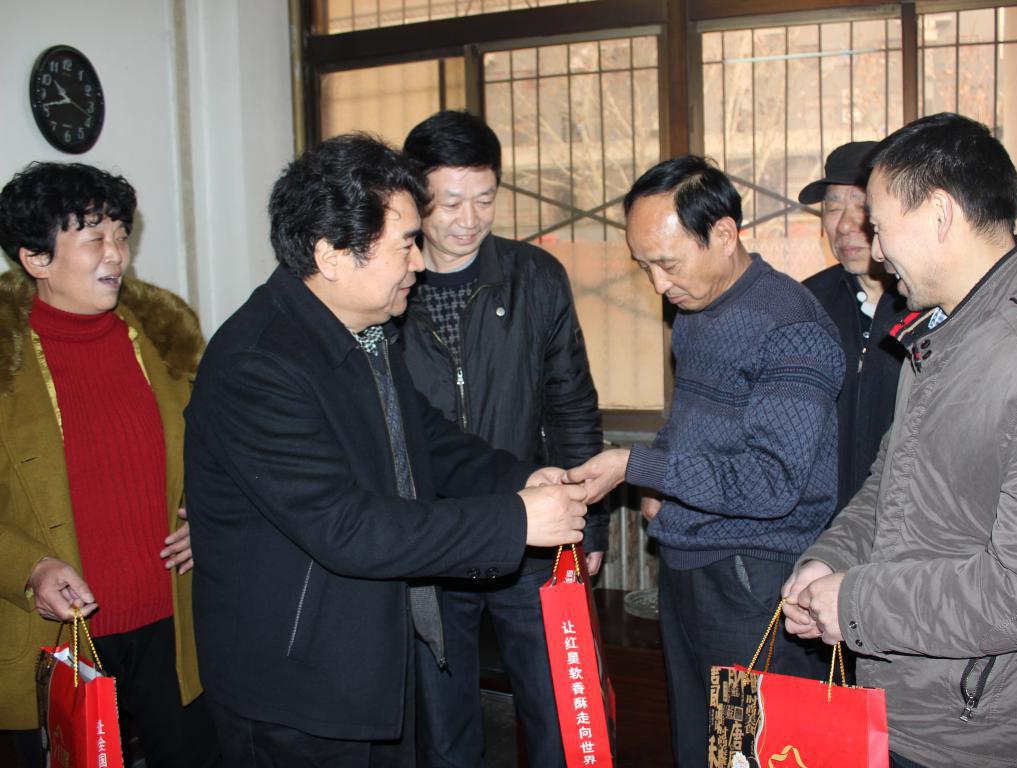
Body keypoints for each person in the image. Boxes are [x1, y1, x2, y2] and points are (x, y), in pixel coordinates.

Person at [183, 133, 589, 768]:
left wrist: (522, 477)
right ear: (332, 255)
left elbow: (427, 439)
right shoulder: (258, 365)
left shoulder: (362, 333)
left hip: (366, 655)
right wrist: (515, 519)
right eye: (405, 244)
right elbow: (345, 527)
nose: (420, 263)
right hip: (297, 687)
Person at [782, 113, 1017, 768]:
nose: (874, 248)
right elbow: (890, 487)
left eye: (879, 224)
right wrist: (831, 560)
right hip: (911, 708)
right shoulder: (944, 339)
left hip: (996, 740)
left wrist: (860, 602)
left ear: (939, 215)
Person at [567, 155, 844, 767]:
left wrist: (639, 467)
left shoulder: (789, 325)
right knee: (697, 744)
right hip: (689, 561)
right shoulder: (695, 311)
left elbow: (772, 482)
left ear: (723, 234)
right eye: (644, 266)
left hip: (751, 579)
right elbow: (692, 425)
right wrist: (657, 472)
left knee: (745, 753)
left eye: (667, 263)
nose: (657, 285)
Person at [399, 110, 607, 768]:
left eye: (484, 199)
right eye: (449, 202)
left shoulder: (534, 276)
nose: (469, 219)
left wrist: (589, 522)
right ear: (414, 197)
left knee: (559, 713)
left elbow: (570, 403)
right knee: (443, 729)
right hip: (432, 542)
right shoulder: (389, 286)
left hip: (533, 537)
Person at [0, 162, 219, 767]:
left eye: (121, 235)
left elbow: (220, 453)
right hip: (61, 642)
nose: (117, 254)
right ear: (35, 258)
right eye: (94, 238)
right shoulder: (6, 359)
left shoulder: (166, 338)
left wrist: (211, 517)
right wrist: (31, 568)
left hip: (174, 628)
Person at [799, 141, 906, 512]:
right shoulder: (806, 304)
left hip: (903, 523)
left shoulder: (926, 305)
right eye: (832, 207)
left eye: (860, 205)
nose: (844, 225)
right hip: (823, 525)